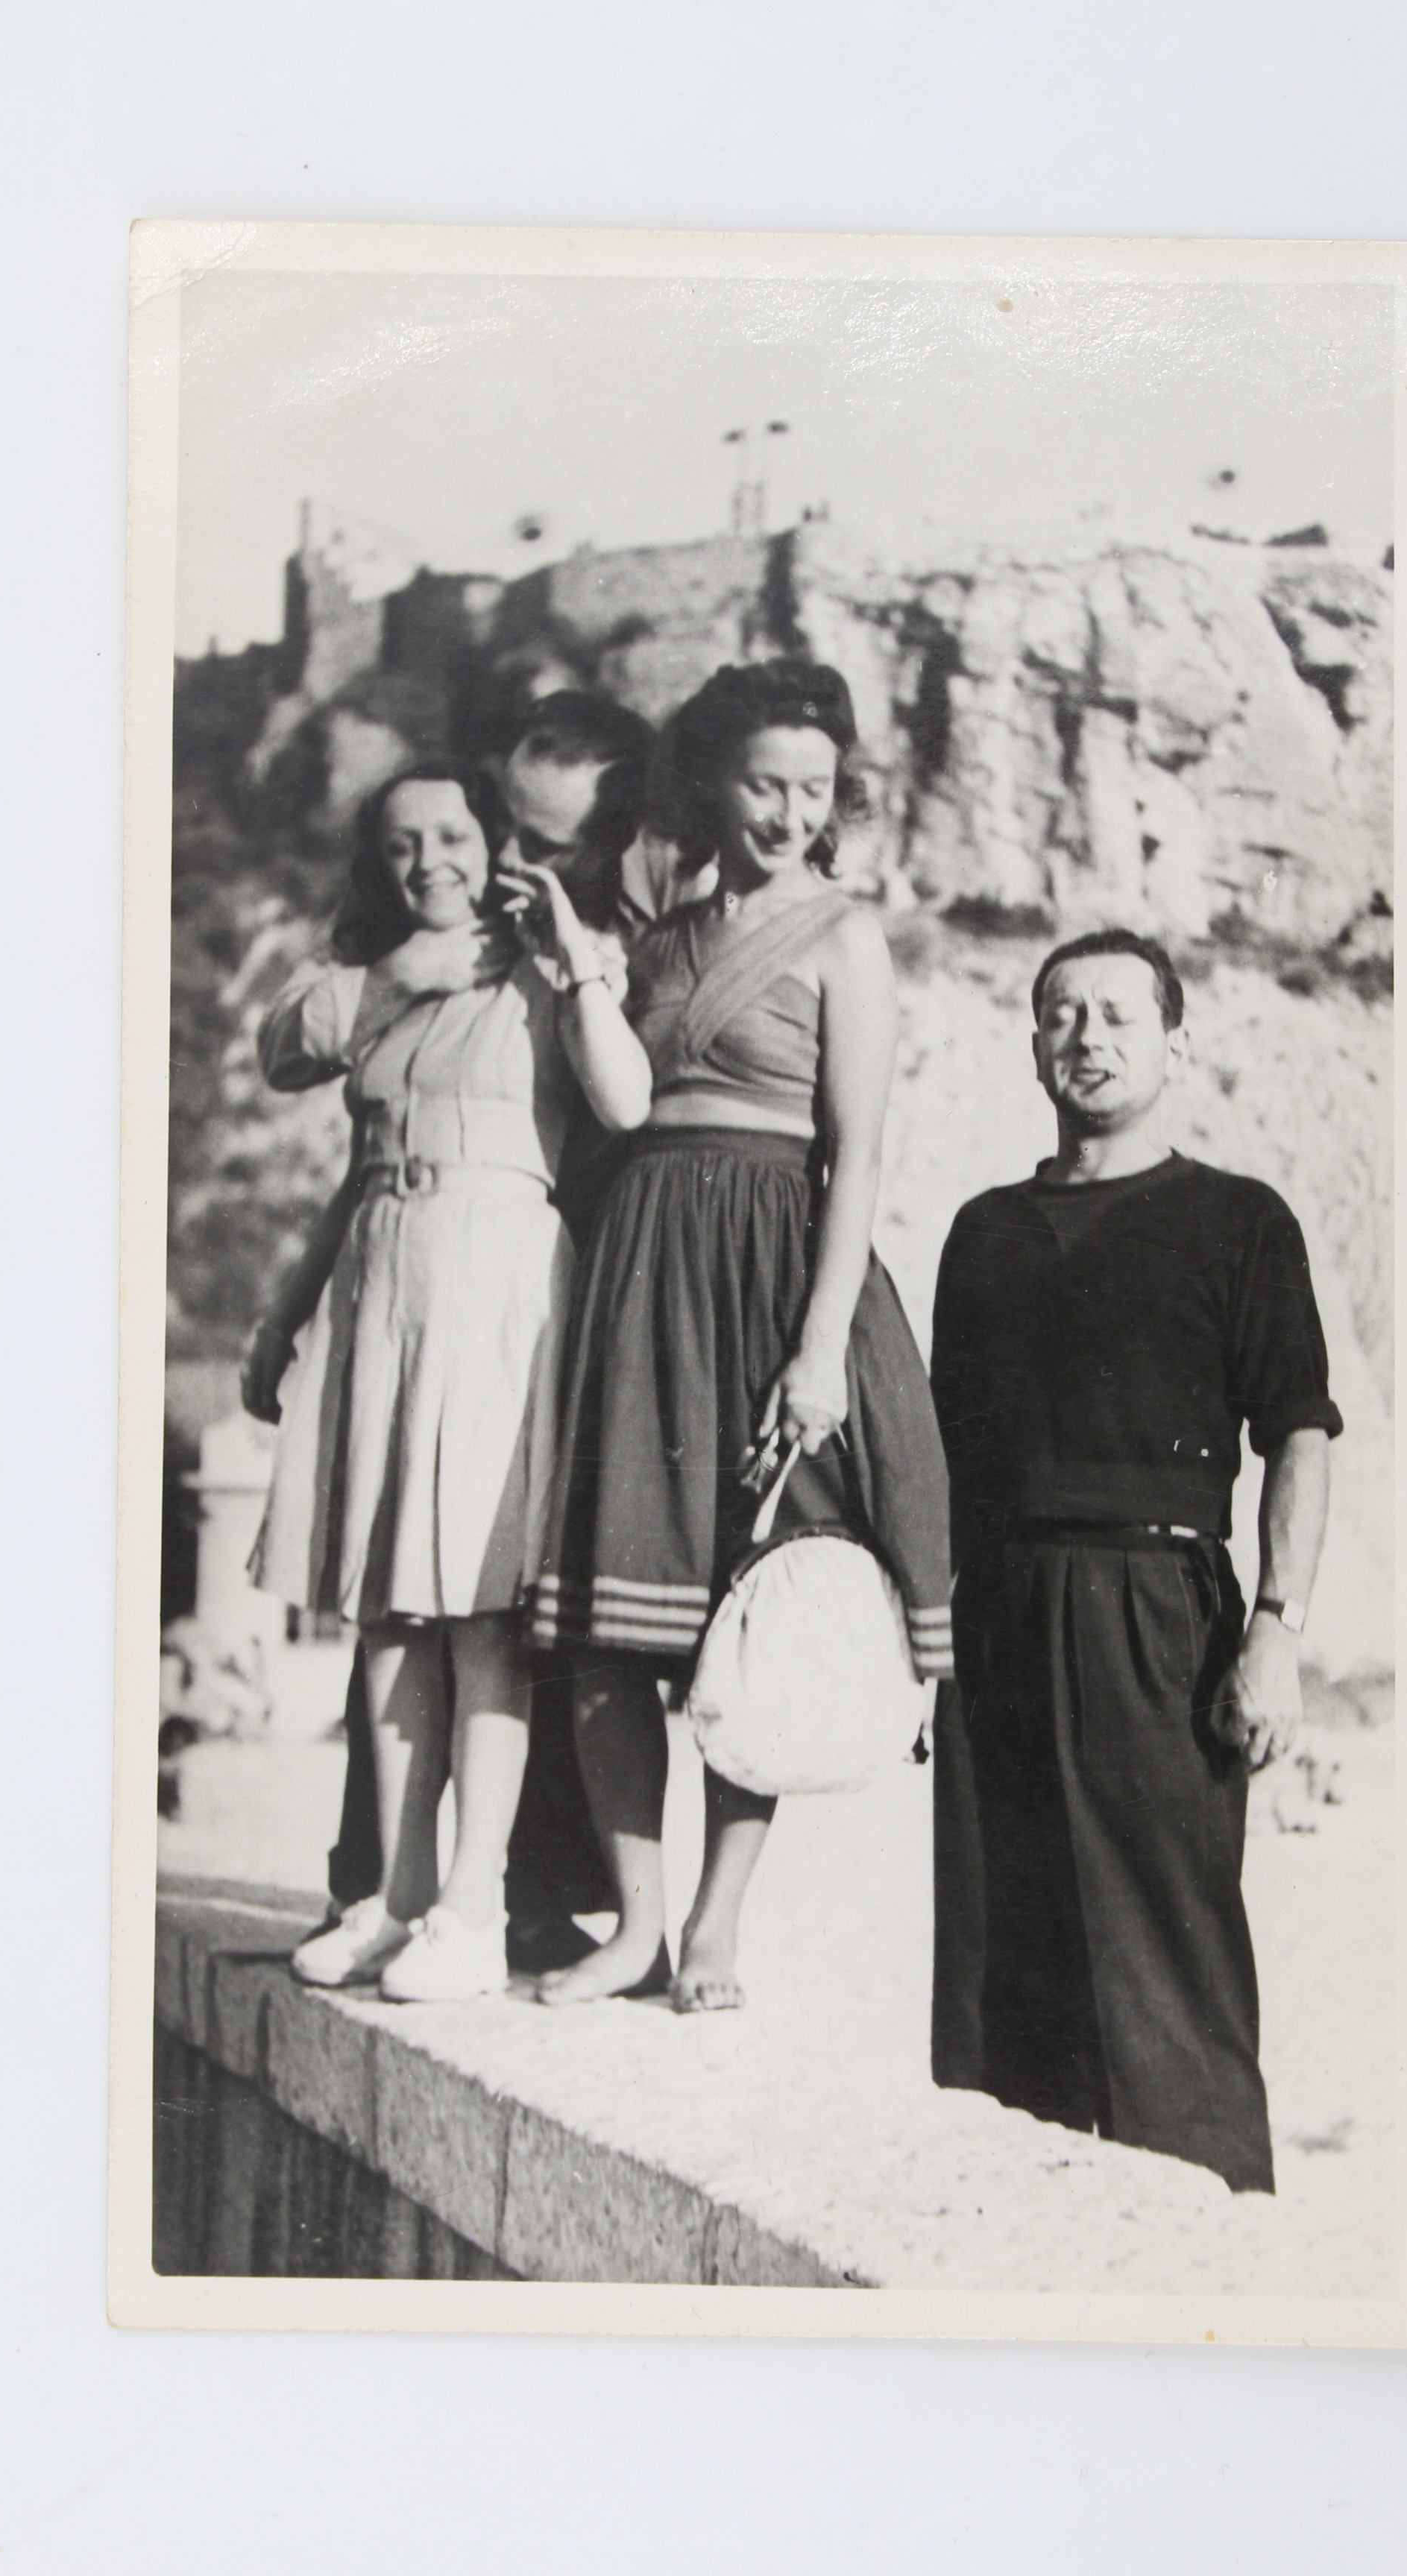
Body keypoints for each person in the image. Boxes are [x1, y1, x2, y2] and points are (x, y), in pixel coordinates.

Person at [532, 658, 954, 2012]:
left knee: (752, 1608)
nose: (789, 812)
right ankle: (636, 1927)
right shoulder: (657, 943)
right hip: (645, 1277)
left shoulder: (846, 938)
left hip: (774, 1277)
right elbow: (613, 1108)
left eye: (815, 789)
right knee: (607, 1618)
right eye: (766, 784)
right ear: (712, 784)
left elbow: (858, 1154)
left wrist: (820, 1350)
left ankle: (716, 1928)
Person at [245, 697, 658, 1973]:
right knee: (387, 1606)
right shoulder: (380, 977)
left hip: (492, 1285)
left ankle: (474, 1907)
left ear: (496, 844)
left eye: (455, 838)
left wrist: (573, 958)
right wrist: (285, 1315)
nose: (432, 862)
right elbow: (292, 1065)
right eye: (403, 844)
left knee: (479, 1612)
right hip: (383, 1283)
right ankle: (399, 1891)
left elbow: (624, 1100)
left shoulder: (557, 961)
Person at [928, 929, 1342, 2193]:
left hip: (1161, 1615)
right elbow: (949, 1457)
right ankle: (1033, 2239)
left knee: (1171, 1966)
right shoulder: (985, 1232)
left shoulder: (1237, 1220)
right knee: (1007, 1969)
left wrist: (1277, 1633)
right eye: (1063, 1015)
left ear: (1176, 1043)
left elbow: (1300, 1433)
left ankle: (1213, 2241)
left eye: (1118, 1014)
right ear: (1033, 1048)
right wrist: (927, 1642)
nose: (1089, 1038)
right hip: (998, 1616)